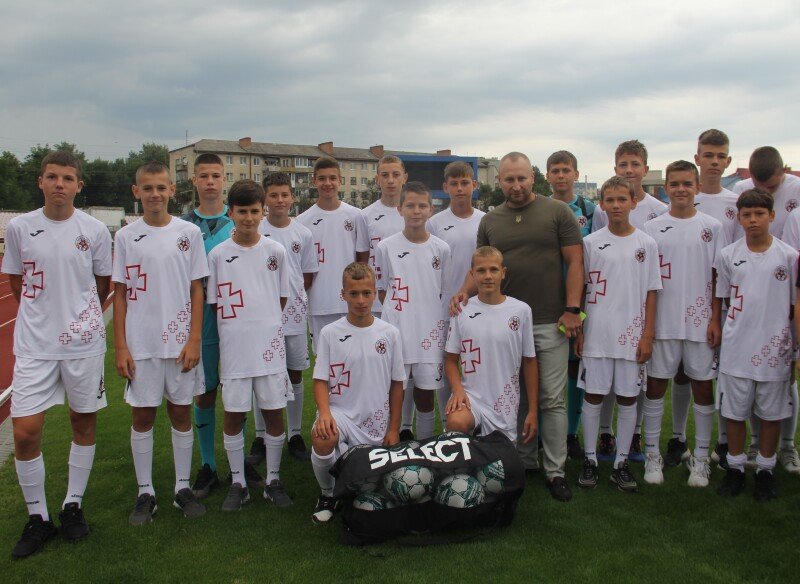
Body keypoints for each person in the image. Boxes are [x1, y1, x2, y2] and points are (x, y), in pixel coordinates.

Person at [451, 152, 583, 502]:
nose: (516, 185)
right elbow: (481, 265)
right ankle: (523, 461)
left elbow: (575, 261)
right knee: (517, 395)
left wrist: (573, 310)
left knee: (552, 398)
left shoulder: (558, 212)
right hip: (505, 325)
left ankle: (555, 470)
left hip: (549, 320)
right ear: (500, 182)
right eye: (509, 179)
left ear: (532, 177)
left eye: (522, 178)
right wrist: (463, 292)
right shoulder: (491, 220)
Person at [3, 151, 112, 558]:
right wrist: (44, 316)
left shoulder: (94, 230)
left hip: (83, 344)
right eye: (52, 177)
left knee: (82, 421)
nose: (59, 184)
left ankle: (72, 505)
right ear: (41, 182)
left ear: (79, 185)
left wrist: (77, 319)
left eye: (67, 178)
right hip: (35, 346)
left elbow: (102, 285)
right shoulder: (20, 227)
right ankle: (37, 516)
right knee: (25, 431)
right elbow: (17, 282)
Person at [113, 162, 208, 525]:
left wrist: (194, 338)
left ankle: (182, 488)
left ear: (172, 190)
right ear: (136, 192)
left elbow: (197, 289)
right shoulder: (126, 236)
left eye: (160, 187)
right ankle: (145, 492)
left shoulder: (189, 233)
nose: (155, 194)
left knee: (181, 413)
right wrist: (121, 346)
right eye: (147, 188)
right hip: (142, 343)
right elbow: (120, 293)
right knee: (142, 415)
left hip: (181, 343)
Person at [207, 180, 292, 510]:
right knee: (233, 415)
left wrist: (263, 323)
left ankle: (273, 479)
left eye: (254, 211)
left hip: (269, 348)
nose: (248, 218)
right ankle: (238, 482)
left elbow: (281, 297)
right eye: (242, 212)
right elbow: (216, 303)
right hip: (235, 351)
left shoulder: (276, 252)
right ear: (231, 213)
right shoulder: (218, 255)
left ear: (263, 212)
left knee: (273, 414)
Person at [642, 160, 725, 487]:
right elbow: (648, 282)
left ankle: (701, 458)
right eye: (674, 184)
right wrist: (648, 326)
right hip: (662, 322)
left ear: (697, 187)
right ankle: (652, 454)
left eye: (687, 184)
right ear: (666, 188)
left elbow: (718, 277)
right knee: (655, 386)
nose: (680, 189)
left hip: (700, 324)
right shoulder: (652, 228)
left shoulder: (713, 227)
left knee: (703, 387)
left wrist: (715, 318)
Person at [576, 176, 661, 493]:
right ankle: (590, 459)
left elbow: (652, 291)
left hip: (632, 335)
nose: (615, 205)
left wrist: (648, 334)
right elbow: (582, 289)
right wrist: (580, 328)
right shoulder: (590, 243)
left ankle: (621, 463)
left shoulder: (646, 244)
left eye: (621, 199)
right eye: (609, 200)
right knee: (593, 394)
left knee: (628, 397)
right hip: (597, 333)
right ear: (601, 204)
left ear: (633, 202)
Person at [715, 188, 798, 500]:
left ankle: (765, 470)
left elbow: (794, 307)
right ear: (739, 218)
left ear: (772, 216)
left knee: (771, 414)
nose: (753, 220)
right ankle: (736, 468)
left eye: (759, 214)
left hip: (775, 349)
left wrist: (794, 348)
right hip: (736, 347)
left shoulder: (789, 257)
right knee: (734, 412)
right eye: (746, 214)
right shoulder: (728, 255)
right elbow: (722, 298)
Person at [664, 129, 738, 470]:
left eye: (719, 155)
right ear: (698, 158)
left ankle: (722, 443)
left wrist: (720, 311)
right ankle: (678, 438)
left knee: (716, 375)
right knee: (682, 373)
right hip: (678, 307)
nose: (713, 161)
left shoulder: (736, 202)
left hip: (719, 303)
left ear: (728, 160)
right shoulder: (669, 209)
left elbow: (733, 258)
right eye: (707, 155)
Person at [309, 263, 405, 523]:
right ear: (343, 295)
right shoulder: (330, 333)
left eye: (366, 293)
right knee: (322, 437)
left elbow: (397, 384)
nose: (360, 300)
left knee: (375, 492)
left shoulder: (390, 333)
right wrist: (325, 413)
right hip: (341, 414)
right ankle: (327, 494)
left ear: (375, 293)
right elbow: (320, 379)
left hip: (376, 421)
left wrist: (394, 428)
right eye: (353, 294)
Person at [592, 140, 667, 464]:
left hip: (635, 320)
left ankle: (630, 444)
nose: (629, 170)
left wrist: (648, 331)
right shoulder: (594, 233)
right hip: (602, 321)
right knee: (599, 388)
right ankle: (599, 444)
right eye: (623, 164)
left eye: (635, 164)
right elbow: (591, 277)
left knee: (631, 388)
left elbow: (652, 283)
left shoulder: (653, 225)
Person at [732, 147, 800, 474]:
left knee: (783, 380)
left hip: (785, 290)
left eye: (771, 187)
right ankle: (755, 443)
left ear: (783, 171)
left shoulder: (797, 191)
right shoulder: (740, 190)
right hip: (751, 288)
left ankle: (786, 446)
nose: (765, 190)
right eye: (759, 185)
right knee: (747, 381)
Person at [180, 153, 239, 500]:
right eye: (203, 176)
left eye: (216, 175)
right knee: (204, 391)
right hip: (199, 321)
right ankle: (208, 465)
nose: (210, 182)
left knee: (236, 390)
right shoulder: (182, 226)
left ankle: (237, 463)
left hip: (235, 318)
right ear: (194, 180)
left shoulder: (240, 220)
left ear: (224, 179)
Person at [250, 172, 319, 463]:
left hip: (294, 316)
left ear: (292, 197)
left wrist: (292, 298)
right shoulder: (256, 228)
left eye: (284, 195)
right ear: (265, 198)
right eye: (273, 195)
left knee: (294, 373)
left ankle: (294, 433)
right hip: (262, 317)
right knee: (263, 373)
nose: (279, 200)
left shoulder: (303, 233)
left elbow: (307, 275)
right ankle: (260, 435)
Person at [375, 182, 451, 440]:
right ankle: (394, 442)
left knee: (425, 394)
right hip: (398, 329)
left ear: (431, 209)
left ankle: (424, 446)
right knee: (395, 388)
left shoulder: (441, 249)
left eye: (422, 206)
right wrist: (399, 314)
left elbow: (443, 291)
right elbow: (383, 289)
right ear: (400, 209)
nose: (416, 211)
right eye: (410, 206)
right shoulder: (386, 247)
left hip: (429, 333)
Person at [445, 246, 538, 446]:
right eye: (481, 270)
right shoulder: (462, 310)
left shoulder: (521, 311)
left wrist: (533, 410)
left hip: (503, 403)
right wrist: (458, 390)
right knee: (456, 421)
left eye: (493, 270)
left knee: (500, 462)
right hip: (470, 397)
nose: (488, 276)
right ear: (472, 274)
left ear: (503, 273)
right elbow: (450, 360)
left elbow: (529, 362)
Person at [545, 150, 595, 460]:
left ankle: (571, 434)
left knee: (575, 366)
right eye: (555, 170)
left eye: (566, 170)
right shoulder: (540, 208)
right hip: (545, 302)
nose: (561, 175)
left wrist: (581, 306)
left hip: (578, 301)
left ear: (576, 174)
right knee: (546, 369)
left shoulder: (590, 210)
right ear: (547, 176)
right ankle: (543, 433)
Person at [428, 160, 485, 427]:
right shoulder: (434, 223)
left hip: (479, 306)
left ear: (474, 185)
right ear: (445, 187)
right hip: (445, 307)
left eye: (465, 183)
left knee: (477, 364)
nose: (460, 188)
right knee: (444, 365)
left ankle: (480, 421)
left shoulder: (486, 220)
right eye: (454, 183)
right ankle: (447, 424)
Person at [297, 157, 369, 354]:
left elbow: (362, 259)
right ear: (314, 181)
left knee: (355, 357)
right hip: (319, 302)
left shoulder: (356, 215)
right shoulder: (302, 221)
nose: (327, 183)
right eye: (322, 179)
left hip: (351, 301)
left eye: (332, 178)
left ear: (340, 180)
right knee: (324, 359)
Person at [361, 155, 411, 436]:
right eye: (385, 175)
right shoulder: (366, 215)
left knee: (409, 365)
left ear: (404, 177)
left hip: (409, 302)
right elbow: (361, 261)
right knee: (381, 367)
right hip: (377, 303)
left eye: (395, 174)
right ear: (377, 179)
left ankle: (406, 427)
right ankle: (378, 426)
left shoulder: (416, 211)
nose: (391, 180)